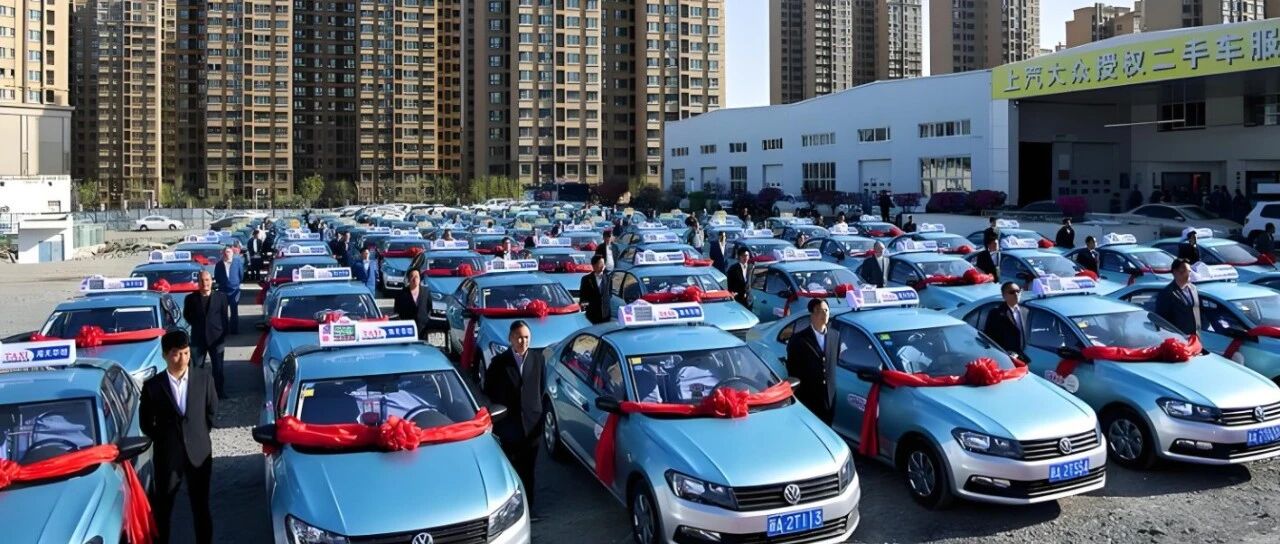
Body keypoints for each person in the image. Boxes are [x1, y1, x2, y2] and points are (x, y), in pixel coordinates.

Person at [140, 330, 217, 544]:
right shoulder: (153, 386)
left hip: (199, 453)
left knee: (200, 507)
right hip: (168, 456)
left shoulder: (203, 378)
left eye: (186, 353)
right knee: (163, 508)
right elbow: (146, 423)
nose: (182, 358)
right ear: (165, 355)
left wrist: (197, 433)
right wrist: (165, 439)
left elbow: (211, 411)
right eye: (176, 354)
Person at [483, 321, 544, 509]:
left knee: (529, 470)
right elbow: (489, 391)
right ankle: (512, 508)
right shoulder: (499, 363)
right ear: (510, 338)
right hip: (509, 426)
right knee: (512, 470)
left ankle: (529, 507)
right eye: (519, 337)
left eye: (526, 337)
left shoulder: (538, 359)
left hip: (532, 426)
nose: (523, 341)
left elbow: (540, 388)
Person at [786, 298, 834, 423]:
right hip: (808, 399)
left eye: (826, 310)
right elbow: (793, 371)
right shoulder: (799, 340)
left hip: (828, 401)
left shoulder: (834, 336)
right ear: (811, 315)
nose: (824, 314)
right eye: (819, 311)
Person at [182, 271, 229, 399]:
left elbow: (224, 317)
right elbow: (187, 315)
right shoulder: (190, 299)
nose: (205, 283)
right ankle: (198, 394)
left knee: (218, 368)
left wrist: (223, 333)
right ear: (198, 282)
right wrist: (198, 325)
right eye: (202, 280)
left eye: (207, 280)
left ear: (211, 281)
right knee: (197, 368)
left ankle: (219, 392)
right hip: (198, 339)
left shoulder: (221, 297)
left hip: (216, 339)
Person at [983, 282, 1031, 362]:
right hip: (1005, 357)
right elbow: (989, 337)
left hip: (1022, 357)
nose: (1016, 294)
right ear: (1004, 296)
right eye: (1012, 292)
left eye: (1018, 291)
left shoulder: (1025, 311)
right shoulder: (997, 313)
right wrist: (1005, 352)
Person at [1155, 258, 1201, 336]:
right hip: (1178, 338)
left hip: (1195, 337)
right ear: (1175, 272)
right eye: (1186, 271)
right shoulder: (1167, 293)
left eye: (1190, 271)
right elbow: (1161, 320)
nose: (1189, 273)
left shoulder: (1193, 289)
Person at [393, 268, 432, 340]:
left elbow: (429, 306)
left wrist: (426, 318)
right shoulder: (401, 294)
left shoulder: (426, 291)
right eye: (412, 277)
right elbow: (397, 310)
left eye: (417, 276)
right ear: (408, 279)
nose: (415, 279)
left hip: (423, 328)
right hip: (408, 327)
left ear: (420, 278)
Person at [213, 247, 243, 335]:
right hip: (223, 290)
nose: (227, 254)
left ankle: (234, 330)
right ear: (223, 254)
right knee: (223, 311)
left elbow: (241, 275)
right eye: (225, 252)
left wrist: (237, 283)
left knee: (234, 310)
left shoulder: (237, 262)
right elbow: (217, 277)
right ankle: (225, 330)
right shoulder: (219, 264)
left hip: (234, 290)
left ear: (232, 253)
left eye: (229, 252)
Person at [579, 255, 613, 324]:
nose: (603, 266)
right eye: (600, 264)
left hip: (605, 315)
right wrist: (586, 309)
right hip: (592, 315)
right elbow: (583, 297)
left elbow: (609, 294)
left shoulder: (608, 278)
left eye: (604, 264)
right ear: (594, 265)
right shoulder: (586, 279)